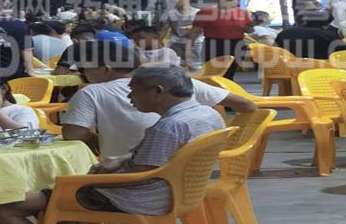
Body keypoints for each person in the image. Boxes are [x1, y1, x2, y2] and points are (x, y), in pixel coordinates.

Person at [0, 66, 226, 224]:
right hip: (177, 191)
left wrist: (89, 181)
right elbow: (162, 159)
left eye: (133, 91)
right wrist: (121, 159)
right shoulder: (207, 114)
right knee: (54, 195)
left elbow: (141, 174)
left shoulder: (169, 127)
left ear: (158, 91)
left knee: (5, 207)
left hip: (142, 196)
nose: (130, 98)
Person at [60, 41, 254, 158]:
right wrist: (234, 141)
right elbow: (245, 104)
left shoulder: (92, 93)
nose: (82, 73)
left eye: (85, 68)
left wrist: (99, 141)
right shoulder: (179, 82)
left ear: (106, 69)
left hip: (137, 180)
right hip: (191, 175)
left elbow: (74, 133)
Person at [187, 0, 253, 79]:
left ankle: (227, 84)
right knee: (213, 73)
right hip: (214, 44)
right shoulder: (206, 12)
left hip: (236, 44)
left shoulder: (243, 13)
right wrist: (189, 46)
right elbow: (195, 31)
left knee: (230, 72)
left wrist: (248, 29)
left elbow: (250, 29)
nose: (235, 2)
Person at [274, 11, 346, 59]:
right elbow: (345, 52)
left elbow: (276, 48)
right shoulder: (328, 35)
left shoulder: (286, 32)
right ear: (326, 25)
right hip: (322, 70)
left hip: (289, 69)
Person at [158, 0, 202, 69]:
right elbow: (164, 29)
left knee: (194, 65)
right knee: (176, 65)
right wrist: (158, 41)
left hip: (194, 43)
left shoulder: (198, 13)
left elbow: (204, 28)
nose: (176, 0)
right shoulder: (171, 13)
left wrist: (193, 28)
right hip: (176, 43)